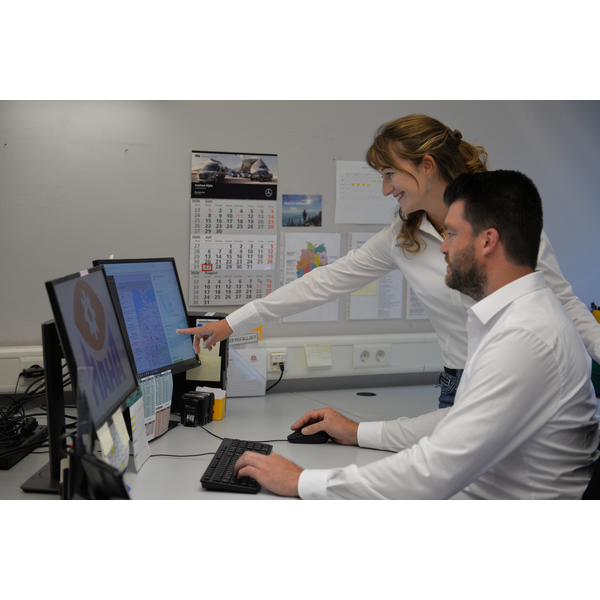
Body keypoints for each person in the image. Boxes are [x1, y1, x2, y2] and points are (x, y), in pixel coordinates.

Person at [178, 114, 600, 408]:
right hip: (460, 383)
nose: (384, 189)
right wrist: (231, 323)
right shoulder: (404, 236)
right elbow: (324, 281)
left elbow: (565, 303)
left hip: (527, 379)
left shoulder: (504, 220)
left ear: (427, 166)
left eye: (389, 174)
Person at [233, 170, 600, 499]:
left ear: (487, 241)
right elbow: (459, 422)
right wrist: (358, 432)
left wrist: (303, 482)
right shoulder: (518, 318)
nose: (443, 247)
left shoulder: (523, 339)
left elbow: (434, 471)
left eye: (451, 234)